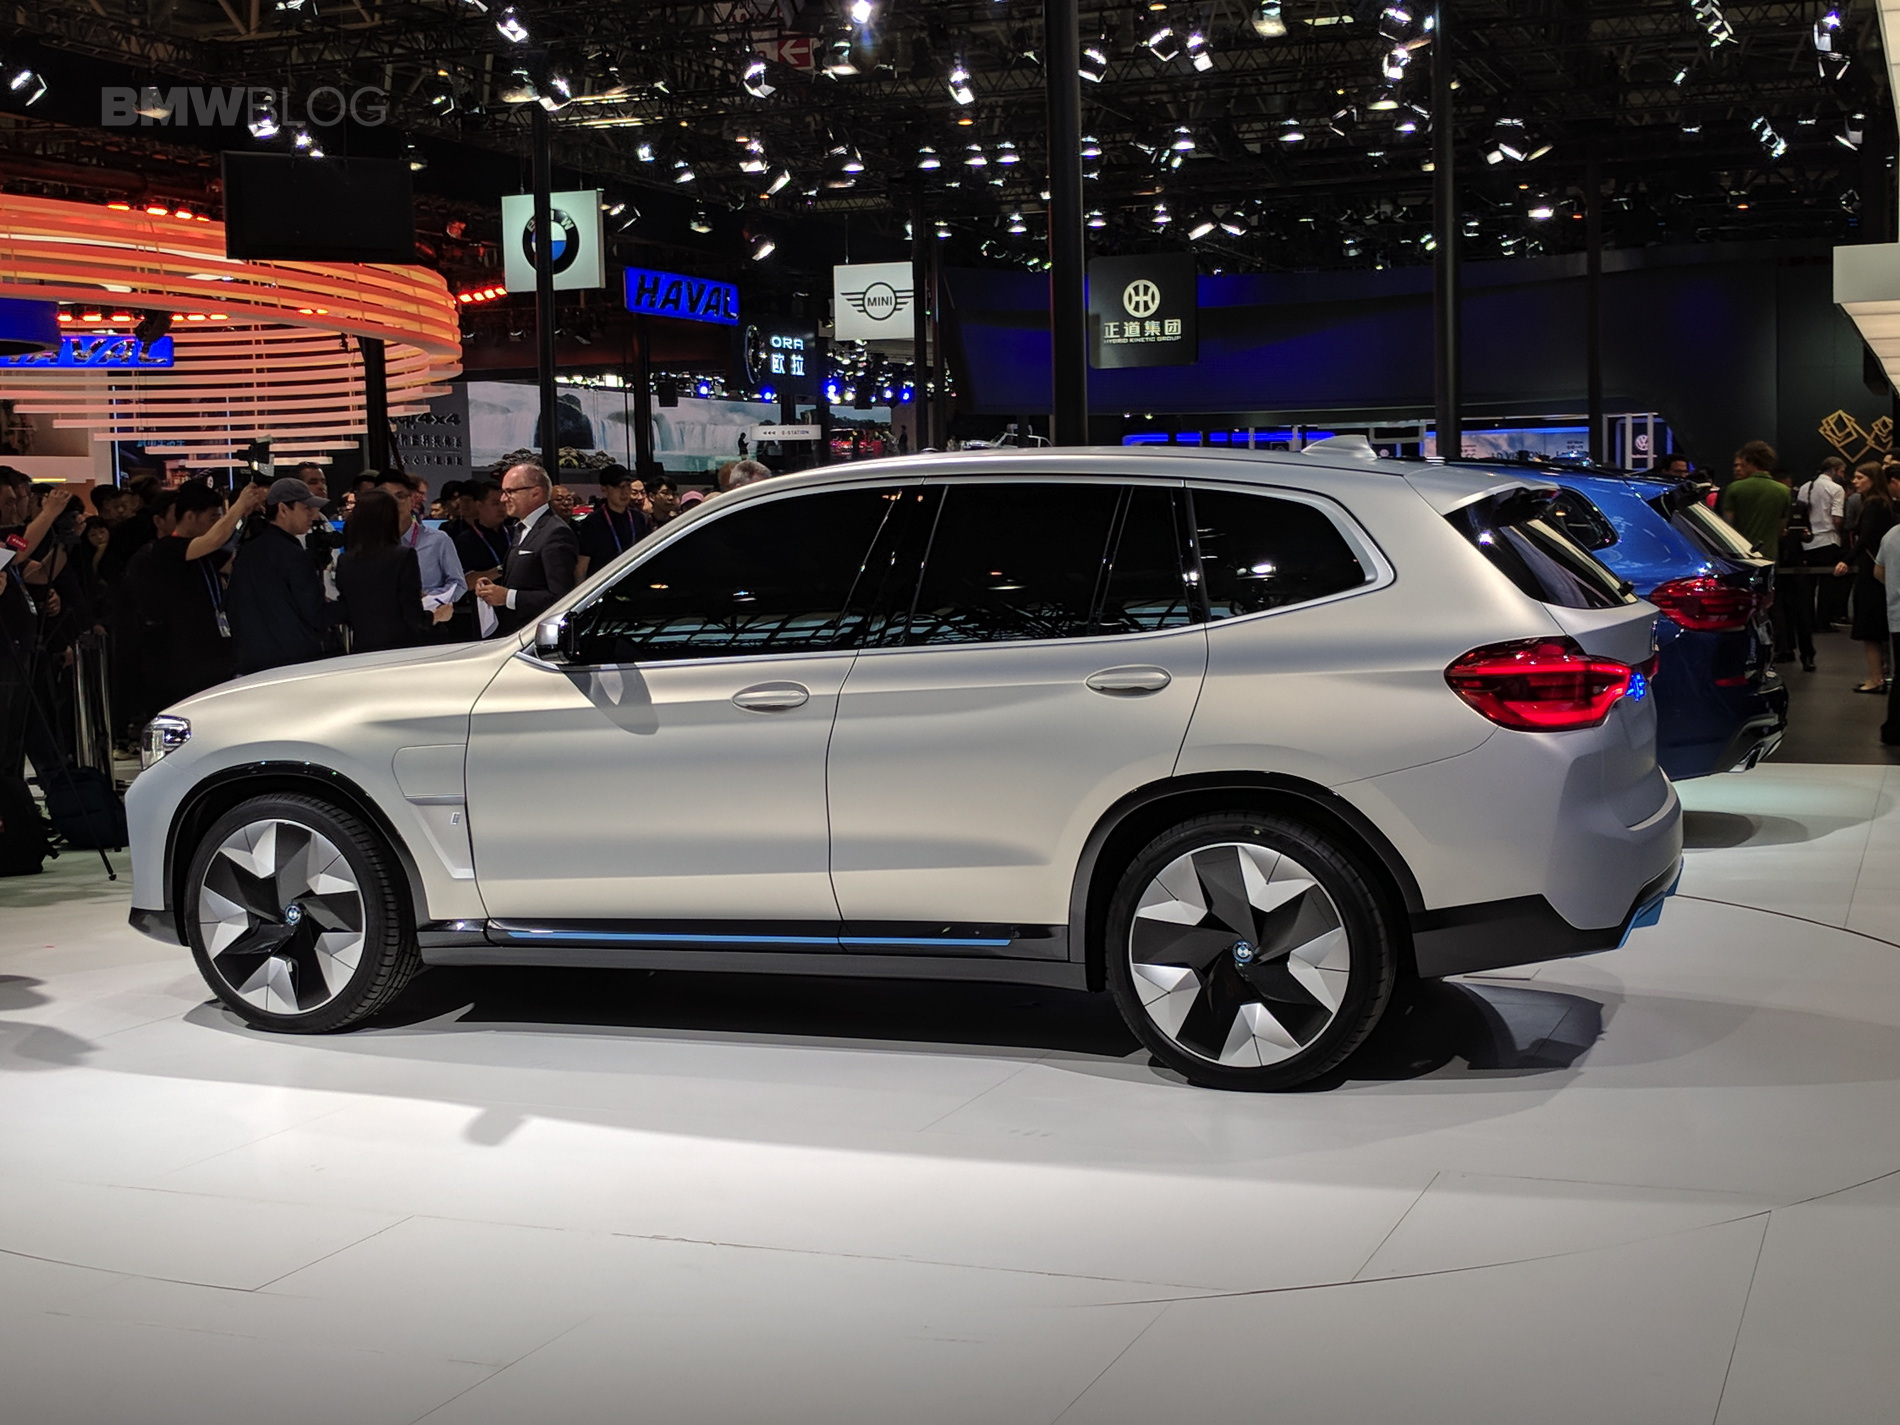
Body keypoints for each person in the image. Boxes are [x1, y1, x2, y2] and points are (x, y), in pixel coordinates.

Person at [131, 479, 267, 709]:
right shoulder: (166, 549)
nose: (216, 524)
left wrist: (243, 518)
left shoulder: (205, 552)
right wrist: (239, 506)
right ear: (190, 516)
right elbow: (214, 539)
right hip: (182, 659)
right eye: (213, 517)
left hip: (213, 651)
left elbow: (228, 552)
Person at [226, 476, 331, 675]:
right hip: (292, 663)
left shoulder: (247, 551)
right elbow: (316, 613)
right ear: (283, 509)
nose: (313, 514)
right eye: (306, 508)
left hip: (251, 661)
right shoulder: (293, 555)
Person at [474, 462, 577, 637]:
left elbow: (561, 597)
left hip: (537, 636)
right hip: (517, 633)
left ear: (535, 492)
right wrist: (493, 591)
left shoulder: (555, 532)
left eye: (510, 491)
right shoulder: (521, 528)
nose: (503, 499)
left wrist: (507, 597)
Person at [335, 490, 430, 654]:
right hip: (402, 650)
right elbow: (412, 615)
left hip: (362, 649)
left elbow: (347, 610)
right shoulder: (403, 556)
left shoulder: (345, 561)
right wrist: (436, 616)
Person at [376, 470, 464, 635]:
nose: (394, 503)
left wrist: (429, 598)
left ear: (411, 500)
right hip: (385, 631)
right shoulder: (372, 544)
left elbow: (458, 584)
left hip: (429, 628)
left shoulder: (438, 540)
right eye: (387, 498)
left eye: (400, 496)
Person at [1835, 463, 1895, 694]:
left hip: (1870, 570)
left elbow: (1866, 538)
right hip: (1879, 567)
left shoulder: (1873, 504)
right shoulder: (1884, 503)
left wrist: (1847, 559)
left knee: (1869, 628)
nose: (1855, 481)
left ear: (1872, 479)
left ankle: (1875, 678)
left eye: (1860, 477)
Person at [1798, 459, 1849, 632]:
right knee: (1827, 585)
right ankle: (1823, 622)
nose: (1843, 476)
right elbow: (1837, 518)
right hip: (1828, 539)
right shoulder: (1836, 489)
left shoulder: (1805, 487)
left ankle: (1807, 621)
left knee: (1808, 585)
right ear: (1834, 470)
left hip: (1807, 540)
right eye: (1841, 472)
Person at [573, 465, 648, 580]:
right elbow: (582, 565)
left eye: (628, 486)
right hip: (604, 582)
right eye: (619, 487)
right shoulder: (593, 522)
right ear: (604, 489)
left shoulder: (638, 518)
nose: (625, 492)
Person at [1719, 440, 1790, 558]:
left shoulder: (1734, 488)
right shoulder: (1784, 491)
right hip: (1769, 554)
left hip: (1741, 554)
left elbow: (1727, 526)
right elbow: (1781, 528)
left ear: (1750, 461)